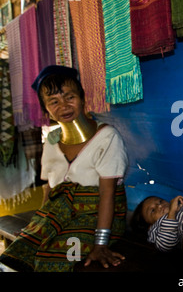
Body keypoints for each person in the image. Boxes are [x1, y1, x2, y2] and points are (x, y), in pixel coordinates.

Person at [0, 65, 128, 272]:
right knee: (19, 251)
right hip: (59, 211)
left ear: (83, 97)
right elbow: (49, 189)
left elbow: (107, 193)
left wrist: (100, 244)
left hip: (96, 216)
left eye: (70, 97)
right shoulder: (51, 140)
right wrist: (40, 222)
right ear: (46, 110)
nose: (64, 106)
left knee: (56, 259)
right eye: (54, 102)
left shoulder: (107, 137)